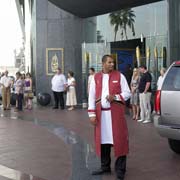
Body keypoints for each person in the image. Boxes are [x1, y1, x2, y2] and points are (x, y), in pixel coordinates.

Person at [88, 55, 131, 180]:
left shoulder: (119, 76)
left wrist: (115, 97)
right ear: (103, 63)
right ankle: (105, 167)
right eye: (109, 62)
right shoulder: (96, 78)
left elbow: (127, 93)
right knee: (103, 142)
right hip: (101, 116)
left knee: (120, 141)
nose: (112, 64)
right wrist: (91, 114)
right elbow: (91, 96)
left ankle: (120, 170)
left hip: (116, 115)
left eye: (113, 62)